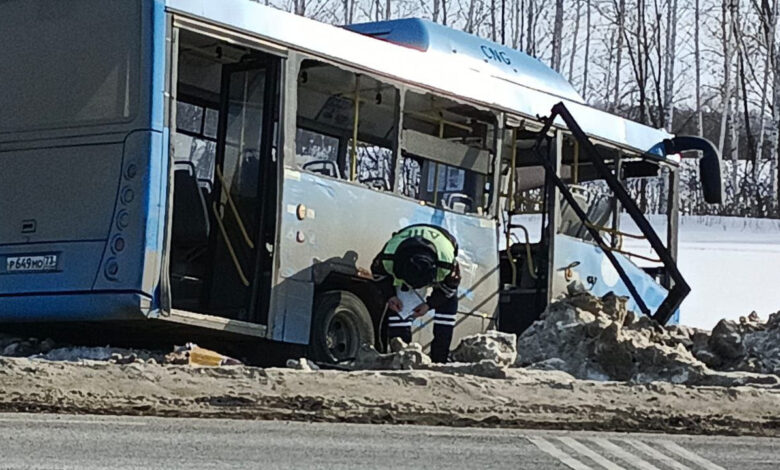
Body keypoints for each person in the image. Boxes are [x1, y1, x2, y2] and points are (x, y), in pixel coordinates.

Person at [370, 224, 460, 363]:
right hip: (405, 253)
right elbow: (378, 274)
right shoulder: (388, 257)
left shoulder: (447, 264)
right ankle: (401, 354)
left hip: (443, 244)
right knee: (399, 307)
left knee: (448, 304)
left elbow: (450, 288)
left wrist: (429, 305)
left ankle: (440, 359)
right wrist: (390, 296)